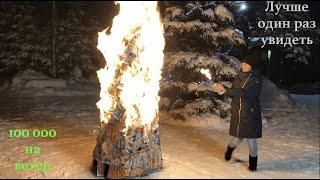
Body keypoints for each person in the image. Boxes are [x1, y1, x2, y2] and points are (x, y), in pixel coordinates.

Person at [212, 38, 266, 172]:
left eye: (245, 64)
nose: (242, 65)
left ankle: (253, 166)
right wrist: (221, 89)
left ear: (251, 66)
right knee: (236, 138)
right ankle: (228, 154)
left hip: (250, 114)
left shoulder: (256, 80)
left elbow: (245, 92)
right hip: (238, 112)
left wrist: (228, 90)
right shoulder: (240, 75)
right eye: (243, 63)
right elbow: (234, 90)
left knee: (251, 141)